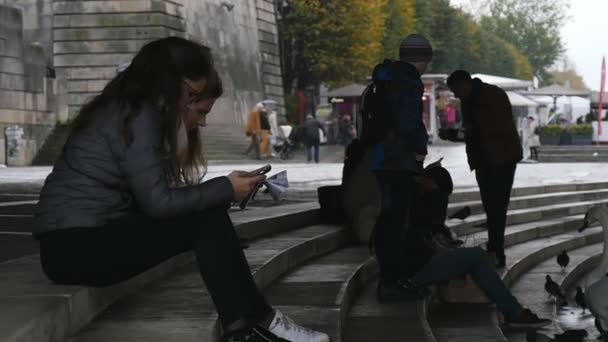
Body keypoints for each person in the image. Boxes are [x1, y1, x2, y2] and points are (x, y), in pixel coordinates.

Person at [33, 37, 329, 342]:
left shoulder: (128, 110)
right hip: (73, 248)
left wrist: (223, 198)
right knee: (205, 221)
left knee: (207, 218)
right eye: (195, 103)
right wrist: (226, 188)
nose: (200, 122)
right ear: (174, 86)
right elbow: (159, 204)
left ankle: (255, 322)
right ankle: (249, 326)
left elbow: (155, 200)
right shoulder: (135, 117)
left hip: (82, 239)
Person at [368, 33, 431, 302]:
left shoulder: (385, 76)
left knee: (388, 220)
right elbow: (408, 122)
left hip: (380, 157)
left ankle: (389, 278)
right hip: (398, 159)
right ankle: (392, 282)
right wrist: (420, 148)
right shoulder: (408, 80)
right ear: (425, 59)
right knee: (397, 223)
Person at [441, 70, 523, 268]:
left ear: (465, 84)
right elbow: (475, 131)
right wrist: (458, 134)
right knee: (492, 206)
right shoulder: (471, 99)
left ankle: (497, 251)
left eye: (456, 90)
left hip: (500, 159)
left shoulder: (490, 96)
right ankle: (495, 249)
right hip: (486, 160)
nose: (456, 96)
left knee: (496, 206)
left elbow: (486, 130)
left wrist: (455, 134)